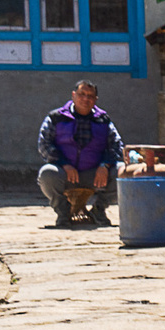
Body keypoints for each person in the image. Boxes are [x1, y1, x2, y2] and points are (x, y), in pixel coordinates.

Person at [37, 81, 124, 226]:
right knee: (47, 173)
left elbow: (116, 145)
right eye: (81, 94)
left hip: (94, 174)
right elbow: (44, 145)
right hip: (64, 173)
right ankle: (63, 213)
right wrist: (64, 164)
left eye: (90, 96)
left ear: (96, 99)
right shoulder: (56, 117)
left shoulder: (103, 120)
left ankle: (99, 210)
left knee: (123, 171)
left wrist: (105, 165)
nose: (86, 99)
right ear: (73, 95)